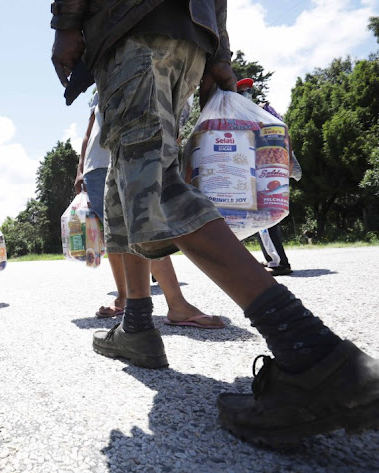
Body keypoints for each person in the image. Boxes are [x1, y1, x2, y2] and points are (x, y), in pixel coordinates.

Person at [51, 0, 379, 445]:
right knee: (124, 183)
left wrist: (67, 22)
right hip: (187, 34)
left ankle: (312, 354)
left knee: (154, 188)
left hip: (133, 26)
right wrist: (219, 54)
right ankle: (137, 327)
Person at [77, 90, 222, 328]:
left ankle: (176, 304)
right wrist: (80, 169)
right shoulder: (100, 84)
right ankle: (124, 299)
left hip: (132, 154)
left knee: (144, 228)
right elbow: (89, 132)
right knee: (115, 234)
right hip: (97, 165)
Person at [237, 78, 293, 276]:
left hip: (266, 170)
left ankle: (279, 263)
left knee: (264, 217)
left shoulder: (262, 110)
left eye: (248, 89)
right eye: (242, 90)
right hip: (260, 170)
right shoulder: (247, 114)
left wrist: (289, 162)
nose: (246, 93)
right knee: (263, 217)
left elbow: (284, 131)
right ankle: (272, 257)